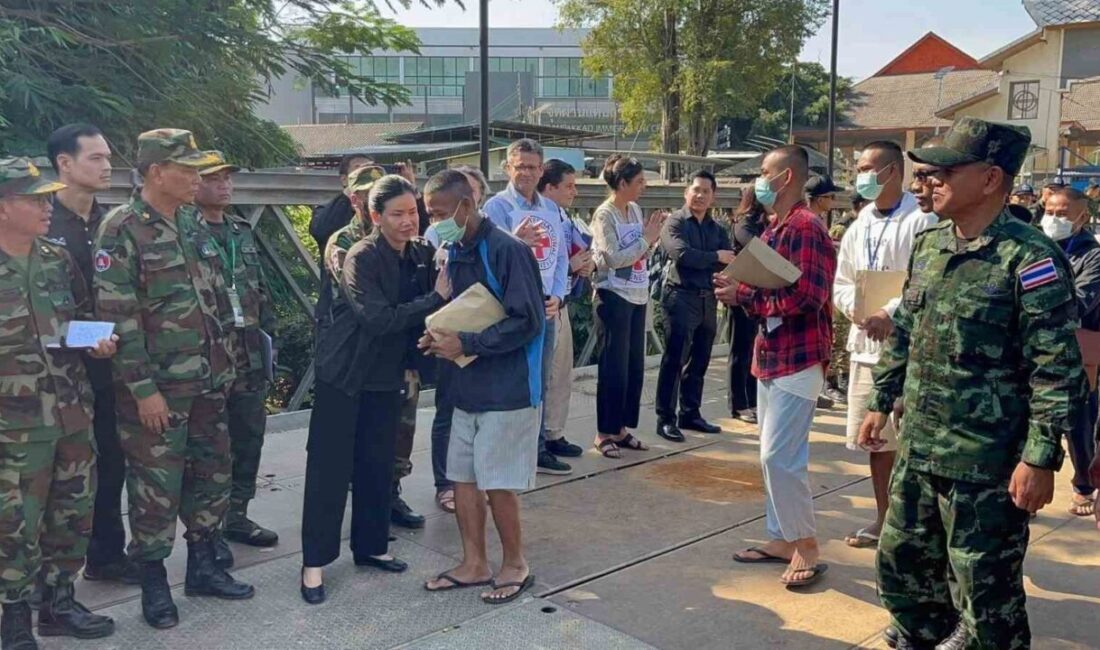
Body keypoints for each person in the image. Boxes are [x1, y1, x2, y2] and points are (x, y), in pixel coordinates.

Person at [859, 117, 1086, 649]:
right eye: (926, 173)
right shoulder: (930, 245)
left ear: (989, 179)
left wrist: (1039, 458)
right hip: (920, 447)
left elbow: (1056, 368)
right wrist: (881, 397)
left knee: (986, 596)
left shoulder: (1030, 259)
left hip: (985, 463)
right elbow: (907, 327)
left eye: (943, 172)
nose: (927, 182)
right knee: (903, 569)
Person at [93, 129, 253, 630]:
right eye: (187, 169)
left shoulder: (190, 220)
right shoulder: (121, 229)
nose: (197, 178)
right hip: (159, 390)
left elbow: (215, 297)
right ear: (157, 172)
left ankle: (204, 565)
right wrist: (143, 391)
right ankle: (154, 581)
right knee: (154, 487)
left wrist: (227, 366)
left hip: (209, 380)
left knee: (212, 474)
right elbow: (119, 319)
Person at [300, 175, 446, 605]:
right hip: (344, 373)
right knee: (329, 470)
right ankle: (313, 564)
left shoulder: (420, 254)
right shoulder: (360, 256)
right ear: (376, 216)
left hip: (385, 374)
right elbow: (379, 318)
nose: (408, 221)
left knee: (377, 464)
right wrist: (435, 298)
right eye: (397, 214)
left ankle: (371, 546)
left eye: (413, 212)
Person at [0, 158, 117, 649]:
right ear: (3, 207)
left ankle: (59, 603)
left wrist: (96, 341)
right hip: (13, 425)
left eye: (48, 197)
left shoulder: (56, 258)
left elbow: (76, 318)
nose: (48, 207)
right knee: (14, 524)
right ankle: (13, 618)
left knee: (72, 512)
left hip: (70, 410)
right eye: (35, 199)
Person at [419, 170, 545, 605]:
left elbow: (528, 321)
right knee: (462, 478)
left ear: (467, 205)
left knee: (498, 482)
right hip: (466, 385)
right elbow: (464, 311)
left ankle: (515, 564)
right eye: (429, 214)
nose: (434, 222)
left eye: (439, 213)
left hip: (507, 389)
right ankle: (474, 563)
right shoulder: (454, 251)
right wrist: (439, 337)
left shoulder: (508, 250)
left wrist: (467, 343)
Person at [721, 145, 836, 588]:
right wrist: (739, 286)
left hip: (798, 357)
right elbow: (769, 285)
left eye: (765, 171)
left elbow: (809, 296)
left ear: (786, 177)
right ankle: (782, 537)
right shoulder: (776, 226)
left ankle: (805, 543)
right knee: (771, 456)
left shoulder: (805, 226)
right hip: (772, 353)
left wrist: (745, 295)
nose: (759, 180)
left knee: (780, 456)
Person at [44, 124, 139, 586]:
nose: (107, 167)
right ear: (64, 163)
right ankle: (48, 579)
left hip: (109, 364)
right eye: (96, 158)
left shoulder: (114, 223)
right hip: (54, 374)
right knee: (58, 474)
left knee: (112, 463)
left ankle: (106, 555)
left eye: (108, 158)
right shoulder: (41, 222)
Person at [833, 141, 938, 550]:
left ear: (892, 171)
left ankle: (919, 527)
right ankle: (884, 517)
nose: (860, 175)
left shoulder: (921, 220)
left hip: (908, 347)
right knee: (876, 439)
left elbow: (922, 281)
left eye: (866, 168)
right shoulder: (860, 223)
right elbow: (843, 280)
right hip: (867, 346)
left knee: (913, 441)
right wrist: (857, 309)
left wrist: (888, 312)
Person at [321, 164, 427, 529]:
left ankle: (390, 492)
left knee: (402, 424)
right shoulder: (347, 244)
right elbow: (370, 304)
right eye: (366, 194)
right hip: (360, 355)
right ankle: (365, 502)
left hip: (400, 349)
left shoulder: (409, 243)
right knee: (360, 437)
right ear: (357, 201)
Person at [194, 152, 280, 562]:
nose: (224, 185)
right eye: (214, 178)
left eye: (227, 178)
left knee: (249, 436)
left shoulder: (239, 230)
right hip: (208, 358)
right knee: (209, 446)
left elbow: (259, 289)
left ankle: (237, 515)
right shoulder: (184, 231)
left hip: (247, 354)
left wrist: (270, 341)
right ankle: (206, 528)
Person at [483, 139, 572, 476]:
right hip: (510, 310)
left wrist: (558, 295)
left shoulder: (551, 209)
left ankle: (537, 449)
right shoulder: (496, 208)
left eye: (533, 167)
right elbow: (489, 259)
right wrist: (514, 240)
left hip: (544, 307)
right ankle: (507, 450)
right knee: (509, 378)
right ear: (508, 168)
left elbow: (560, 257)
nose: (526, 173)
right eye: (520, 166)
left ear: (541, 170)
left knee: (540, 379)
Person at [591, 156, 667, 456]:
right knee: (613, 367)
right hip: (613, 295)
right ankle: (603, 432)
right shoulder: (604, 214)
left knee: (633, 366)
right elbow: (613, 257)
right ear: (622, 183)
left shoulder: (634, 209)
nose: (643, 187)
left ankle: (621, 428)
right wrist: (646, 240)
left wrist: (650, 242)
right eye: (639, 182)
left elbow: (639, 251)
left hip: (637, 292)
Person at [426, 165, 489, 513]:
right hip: (449, 336)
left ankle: (473, 479)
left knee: (479, 411)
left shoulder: (494, 242)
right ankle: (445, 482)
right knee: (447, 410)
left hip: (483, 341)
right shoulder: (438, 240)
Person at [654, 170, 732, 442]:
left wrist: (713, 259)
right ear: (686, 192)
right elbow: (682, 254)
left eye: (705, 191)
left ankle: (690, 412)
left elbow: (728, 260)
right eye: (696, 190)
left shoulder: (716, 229)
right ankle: (665, 419)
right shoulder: (675, 222)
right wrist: (714, 256)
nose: (700, 195)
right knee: (674, 359)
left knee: (700, 359)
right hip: (680, 297)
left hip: (707, 298)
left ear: (713, 197)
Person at [1038, 186, 1100, 517]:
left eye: (1062, 214)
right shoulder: (1037, 248)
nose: (1053, 219)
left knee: (1080, 422)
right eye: (1049, 212)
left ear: (1082, 217)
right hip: (1037, 348)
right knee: (1034, 418)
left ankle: (1084, 485)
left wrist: (1038, 304)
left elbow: (1081, 300)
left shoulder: (1092, 256)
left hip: (1078, 351)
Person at [538, 159, 592, 457]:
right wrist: (570, 265)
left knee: (561, 373)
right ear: (549, 188)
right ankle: (540, 439)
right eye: (568, 186)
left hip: (564, 300)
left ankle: (554, 431)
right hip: (545, 304)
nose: (574, 192)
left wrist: (584, 264)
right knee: (544, 374)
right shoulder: (538, 218)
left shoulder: (565, 217)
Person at [806, 174, 846, 405]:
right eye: (831, 196)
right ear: (820, 199)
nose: (833, 201)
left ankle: (817, 388)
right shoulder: (809, 223)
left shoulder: (818, 221)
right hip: (813, 295)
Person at [727, 187, 765, 424]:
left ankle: (752, 399)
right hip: (740, 292)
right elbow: (758, 248)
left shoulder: (764, 223)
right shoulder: (744, 223)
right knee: (740, 349)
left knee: (754, 349)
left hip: (757, 291)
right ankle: (738, 403)